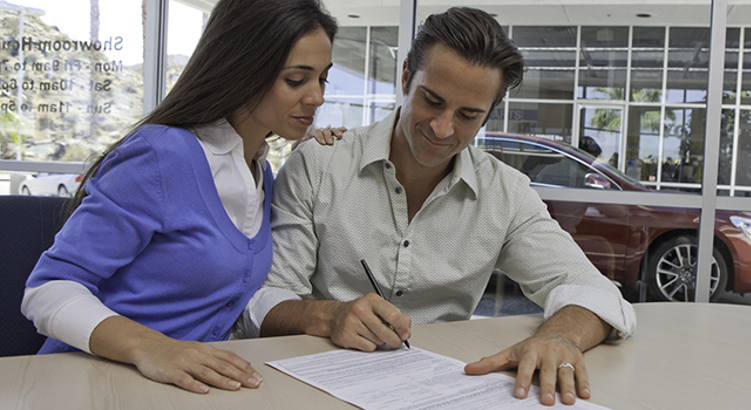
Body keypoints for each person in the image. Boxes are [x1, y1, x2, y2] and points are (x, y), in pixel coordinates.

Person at [237, 6, 636, 406]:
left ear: (488, 115)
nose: (442, 128)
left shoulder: (505, 192)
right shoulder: (319, 164)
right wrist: (328, 316)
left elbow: (594, 290)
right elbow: (263, 300)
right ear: (407, 76)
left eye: (467, 115)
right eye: (432, 100)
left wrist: (560, 336)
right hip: (312, 386)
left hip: (442, 393)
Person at [21, 0, 339, 395]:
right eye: (296, 80)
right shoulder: (162, 155)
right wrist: (152, 347)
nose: (317, 98)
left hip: (175, 391)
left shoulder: (261, 172)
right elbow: (47, 289)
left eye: (323, 79)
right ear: (244, 68)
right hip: (85, 385)